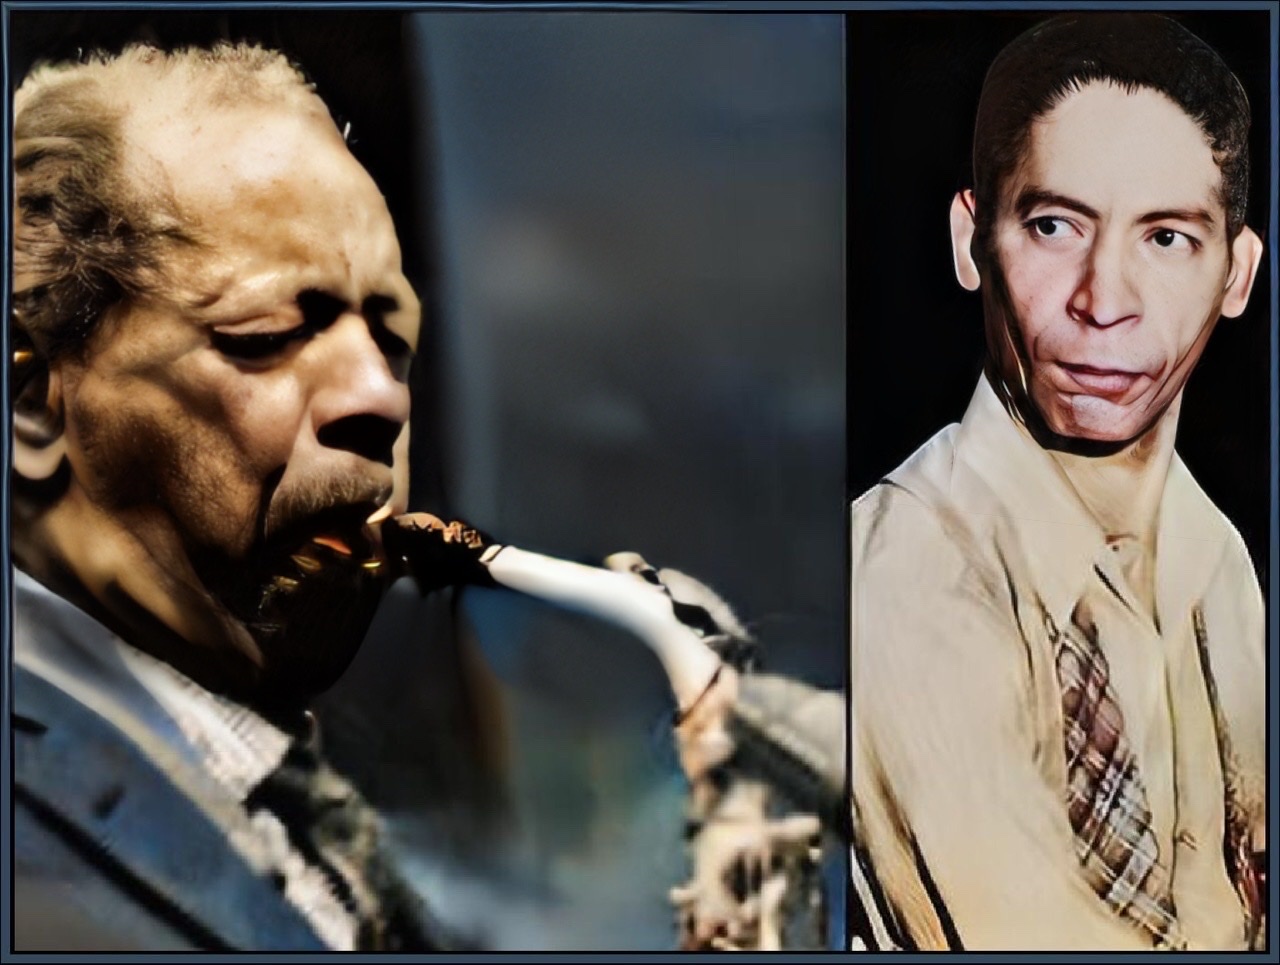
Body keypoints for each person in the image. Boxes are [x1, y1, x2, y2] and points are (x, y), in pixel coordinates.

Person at [10, 40, 845, 951]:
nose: (382, 397)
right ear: (34, 405)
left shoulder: (261, 782)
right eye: (265, 333)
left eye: (391, 340)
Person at [850, 13, 1265, 952]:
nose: (1103, 301)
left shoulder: (1220, 563)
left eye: (1167, 238)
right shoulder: (908, 568)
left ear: (1237, 275)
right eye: (1053, 226)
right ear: (971, 241)